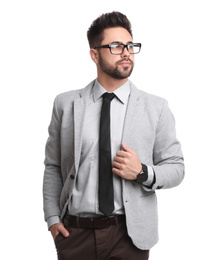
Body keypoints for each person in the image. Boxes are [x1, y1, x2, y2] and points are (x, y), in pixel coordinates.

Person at [43, 11, 184, 260]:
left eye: (130, 45)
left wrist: (142, 172)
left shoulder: (156, 107)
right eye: (117, 46)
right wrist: (52, 219)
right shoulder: (65, 104)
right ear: (94, 54)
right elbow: (53, 166)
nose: (126, 52)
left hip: (129, 236)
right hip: (75, 233)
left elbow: (176, 167)